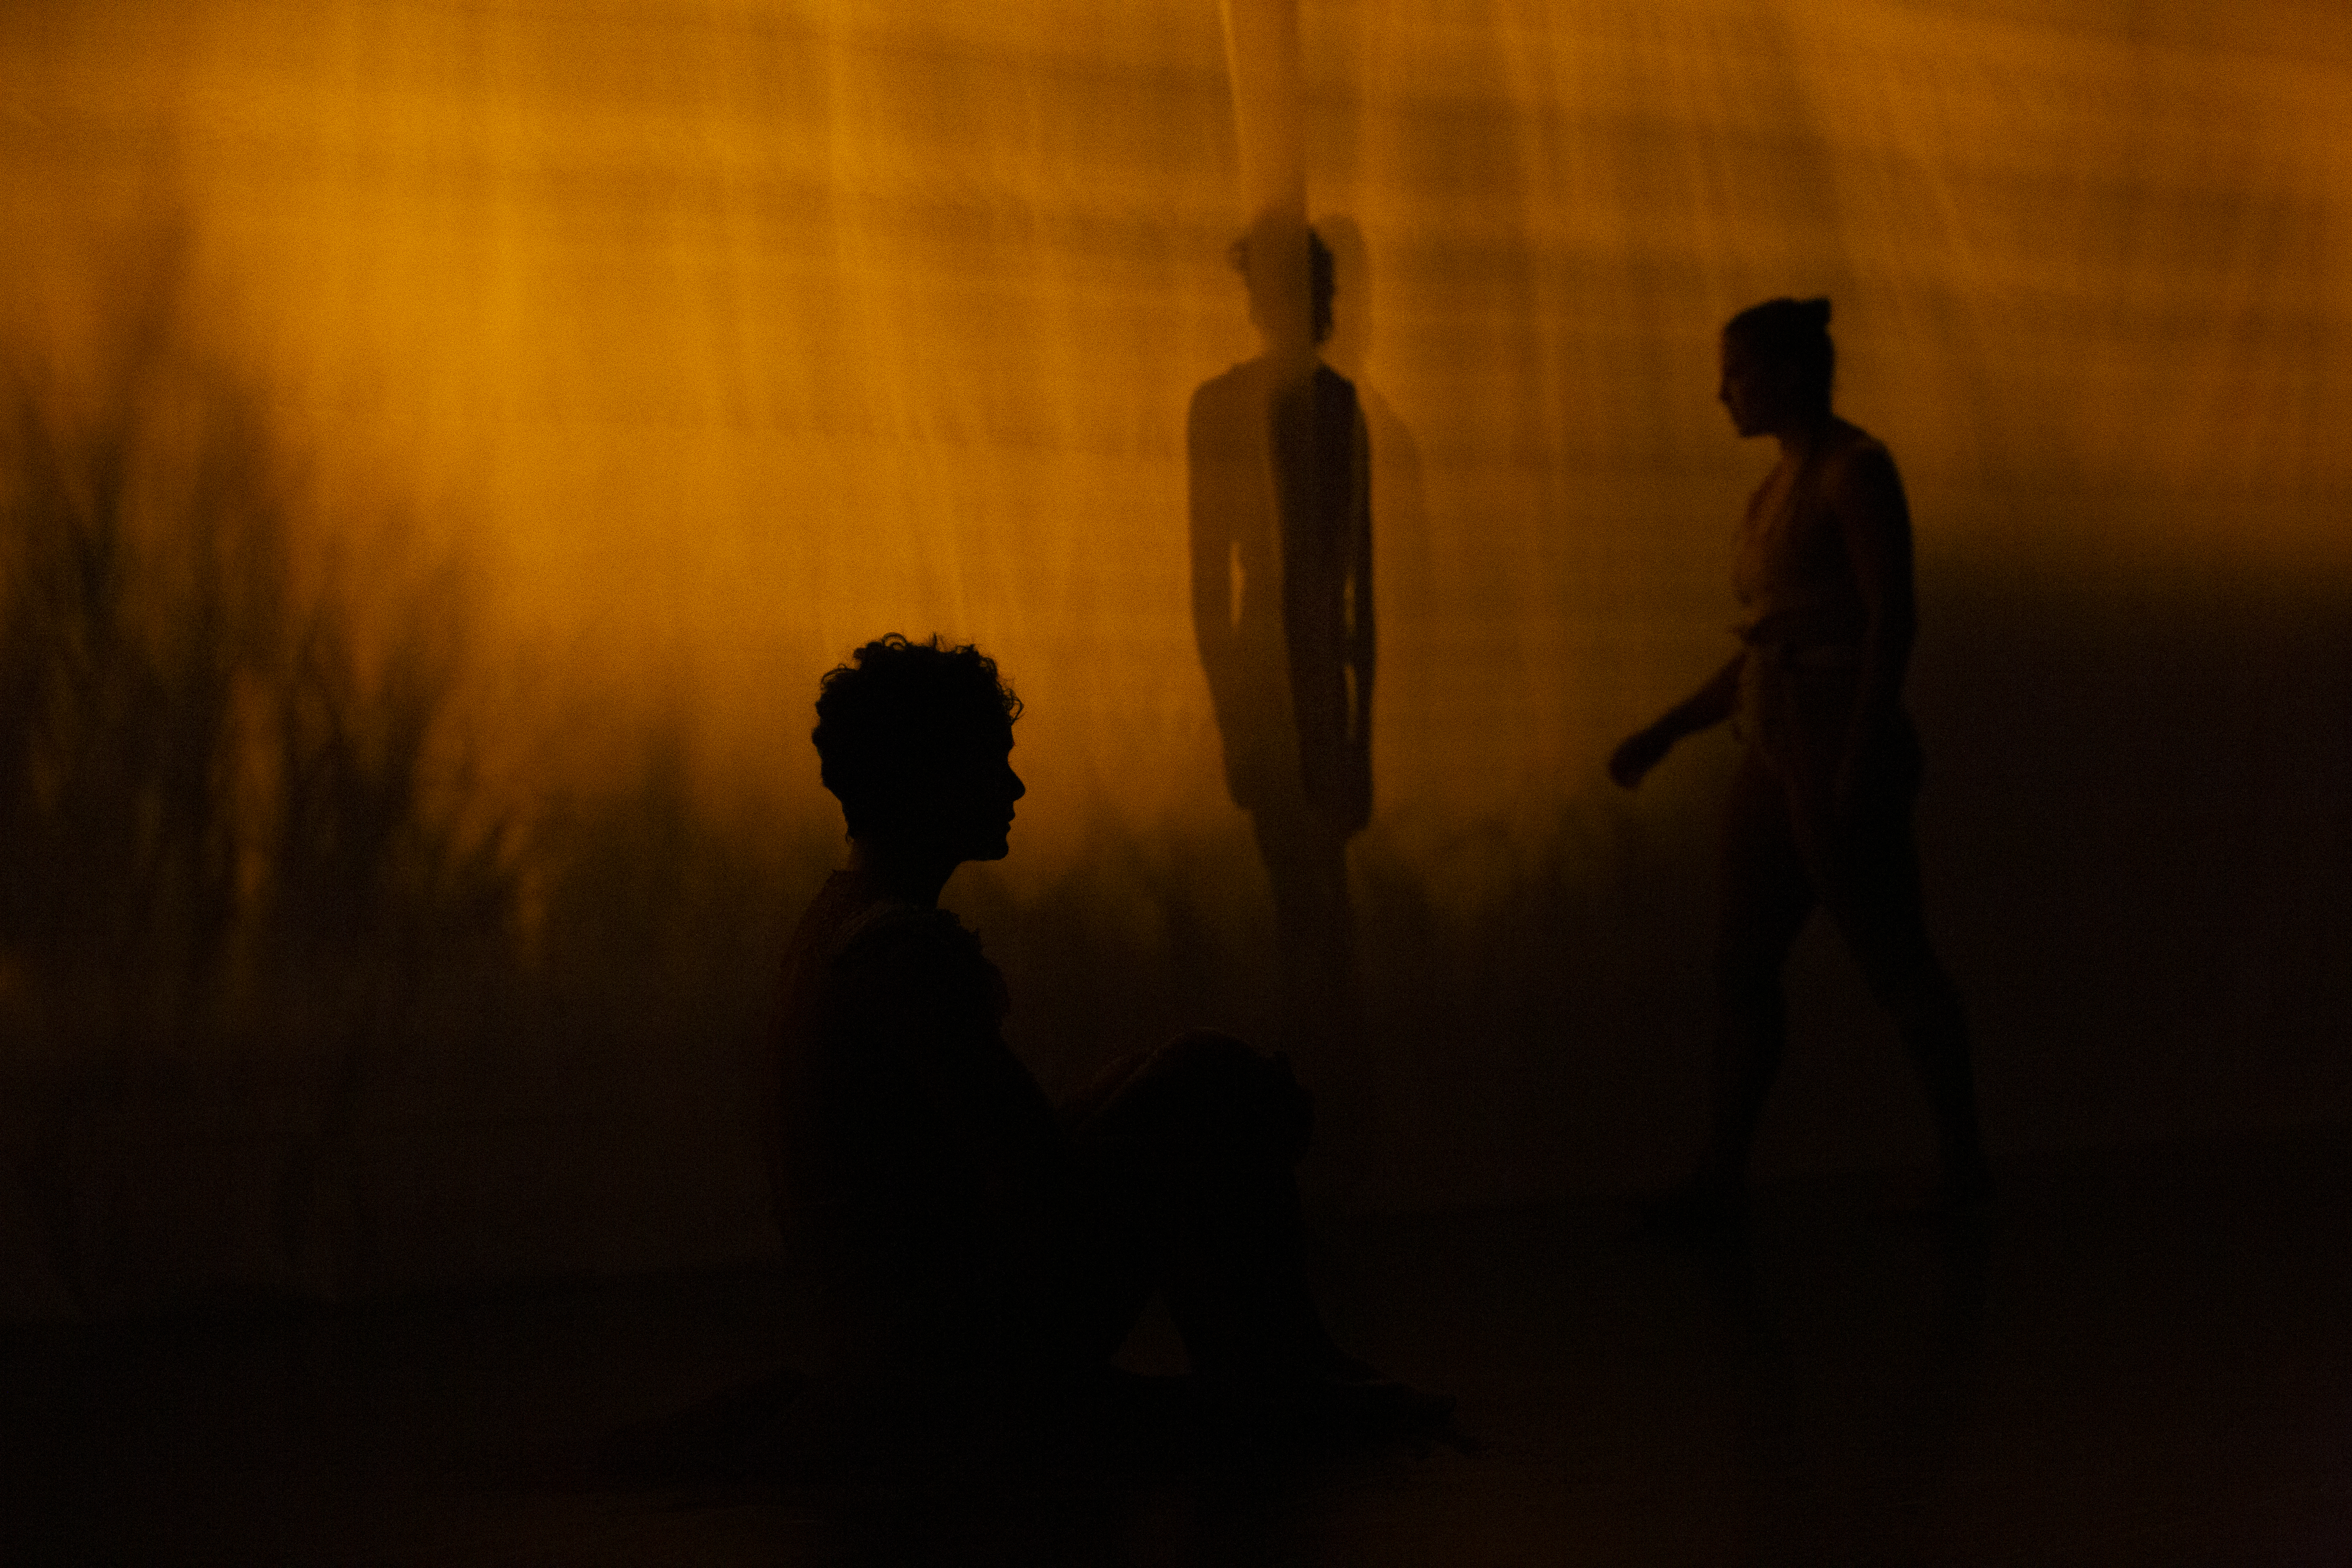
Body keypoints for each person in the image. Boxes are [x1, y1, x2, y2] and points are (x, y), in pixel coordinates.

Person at [765, 634, 1442, 1440]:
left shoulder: (842, 924)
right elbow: (1037, 1177)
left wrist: (1161, 1083)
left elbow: (1010, 1148)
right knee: (1203, 1081)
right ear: (930, 776)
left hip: (903, 1328)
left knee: (1188, 1074)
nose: (1014, 785)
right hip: (938, 1354)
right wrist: (1212, 1105)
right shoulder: (896, 954)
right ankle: (1280, 1370)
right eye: (992, 761)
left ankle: (1289, 1361)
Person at [1609, 298, 1992, 1228]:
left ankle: (1965, 1170)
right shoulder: (1776, 487)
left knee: (1893, 955)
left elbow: (1891, 616)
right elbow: (1766, 642)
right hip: (1776, 732)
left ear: (1784, 374)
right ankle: (1722, 1175)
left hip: (1829, 730)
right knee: (1741, 962)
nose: (1721, 394)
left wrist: (1860, 745)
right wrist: (1669, 729)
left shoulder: (1854, 473)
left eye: (1736, 373)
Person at [1187, 220, 1374, 1074]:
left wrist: (1357, 728)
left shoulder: (1336, 406)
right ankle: (1309, 1064)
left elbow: (1357, 579)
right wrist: (1238, 720)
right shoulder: (1228, 405)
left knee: (1310, 890)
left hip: (1306, 671)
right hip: (1279, 669)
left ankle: (1313, 1062)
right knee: (1302, 889)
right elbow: (1207, 581)